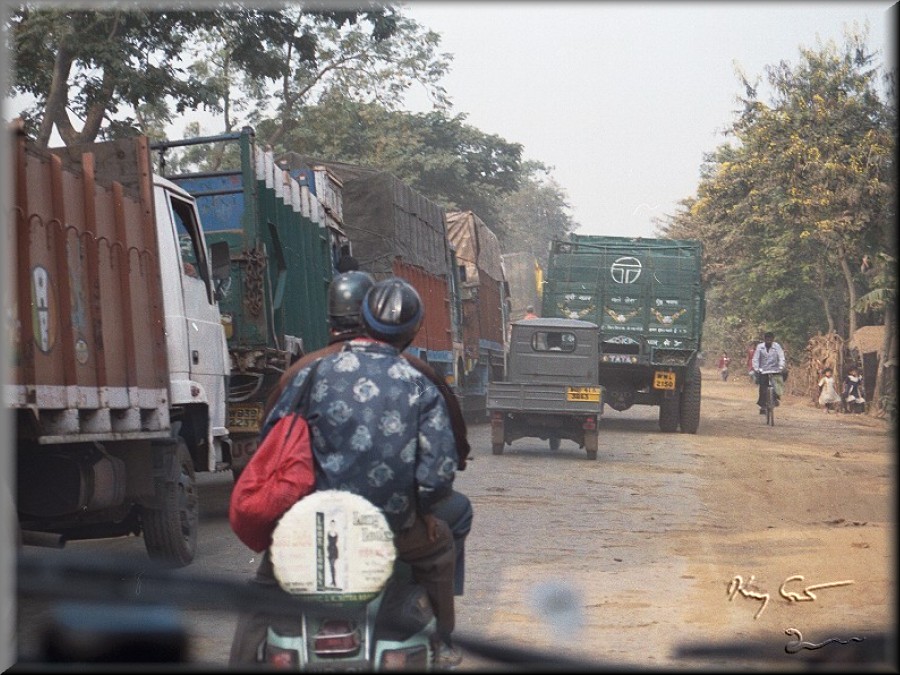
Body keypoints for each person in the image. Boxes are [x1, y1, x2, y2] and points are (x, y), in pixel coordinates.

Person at [230, 274, 467, 667]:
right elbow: (438, 472)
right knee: (439, 549)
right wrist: (423, 510)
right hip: (390, 530)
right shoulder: (418, 383)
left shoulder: (310, 373)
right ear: (410, 331)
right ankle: (443, 642)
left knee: (264, 590)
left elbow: (274, 439)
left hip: (316, 530)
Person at [751, 331, 786, 414]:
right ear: (765, 339)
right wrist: (757, 368)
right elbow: (755, 359)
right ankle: (763, 405)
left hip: (775, 369)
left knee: (780, 381)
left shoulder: (777, 346)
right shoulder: (760, 347)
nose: (769, 341)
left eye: (770, 339)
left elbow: (781, 357)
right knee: (762, 387)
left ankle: (776, 398)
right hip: (763, 370)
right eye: (767, 339)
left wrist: (781, 366)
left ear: (773, 339)